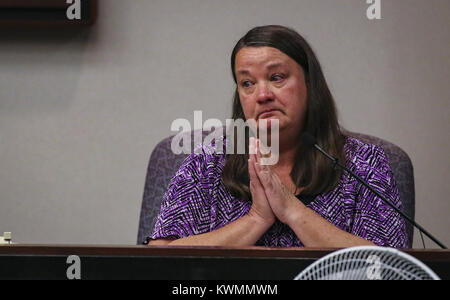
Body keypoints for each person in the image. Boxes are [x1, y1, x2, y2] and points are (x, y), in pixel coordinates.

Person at [147, 25, 408, 248]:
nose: (262, 95)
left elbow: (391, 266)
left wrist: (292, 210)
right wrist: (256, 219)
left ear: (309, 84)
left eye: (276, 77)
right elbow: (158, 258)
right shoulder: (208, 163)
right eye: (247, 83)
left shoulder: (363, 164)